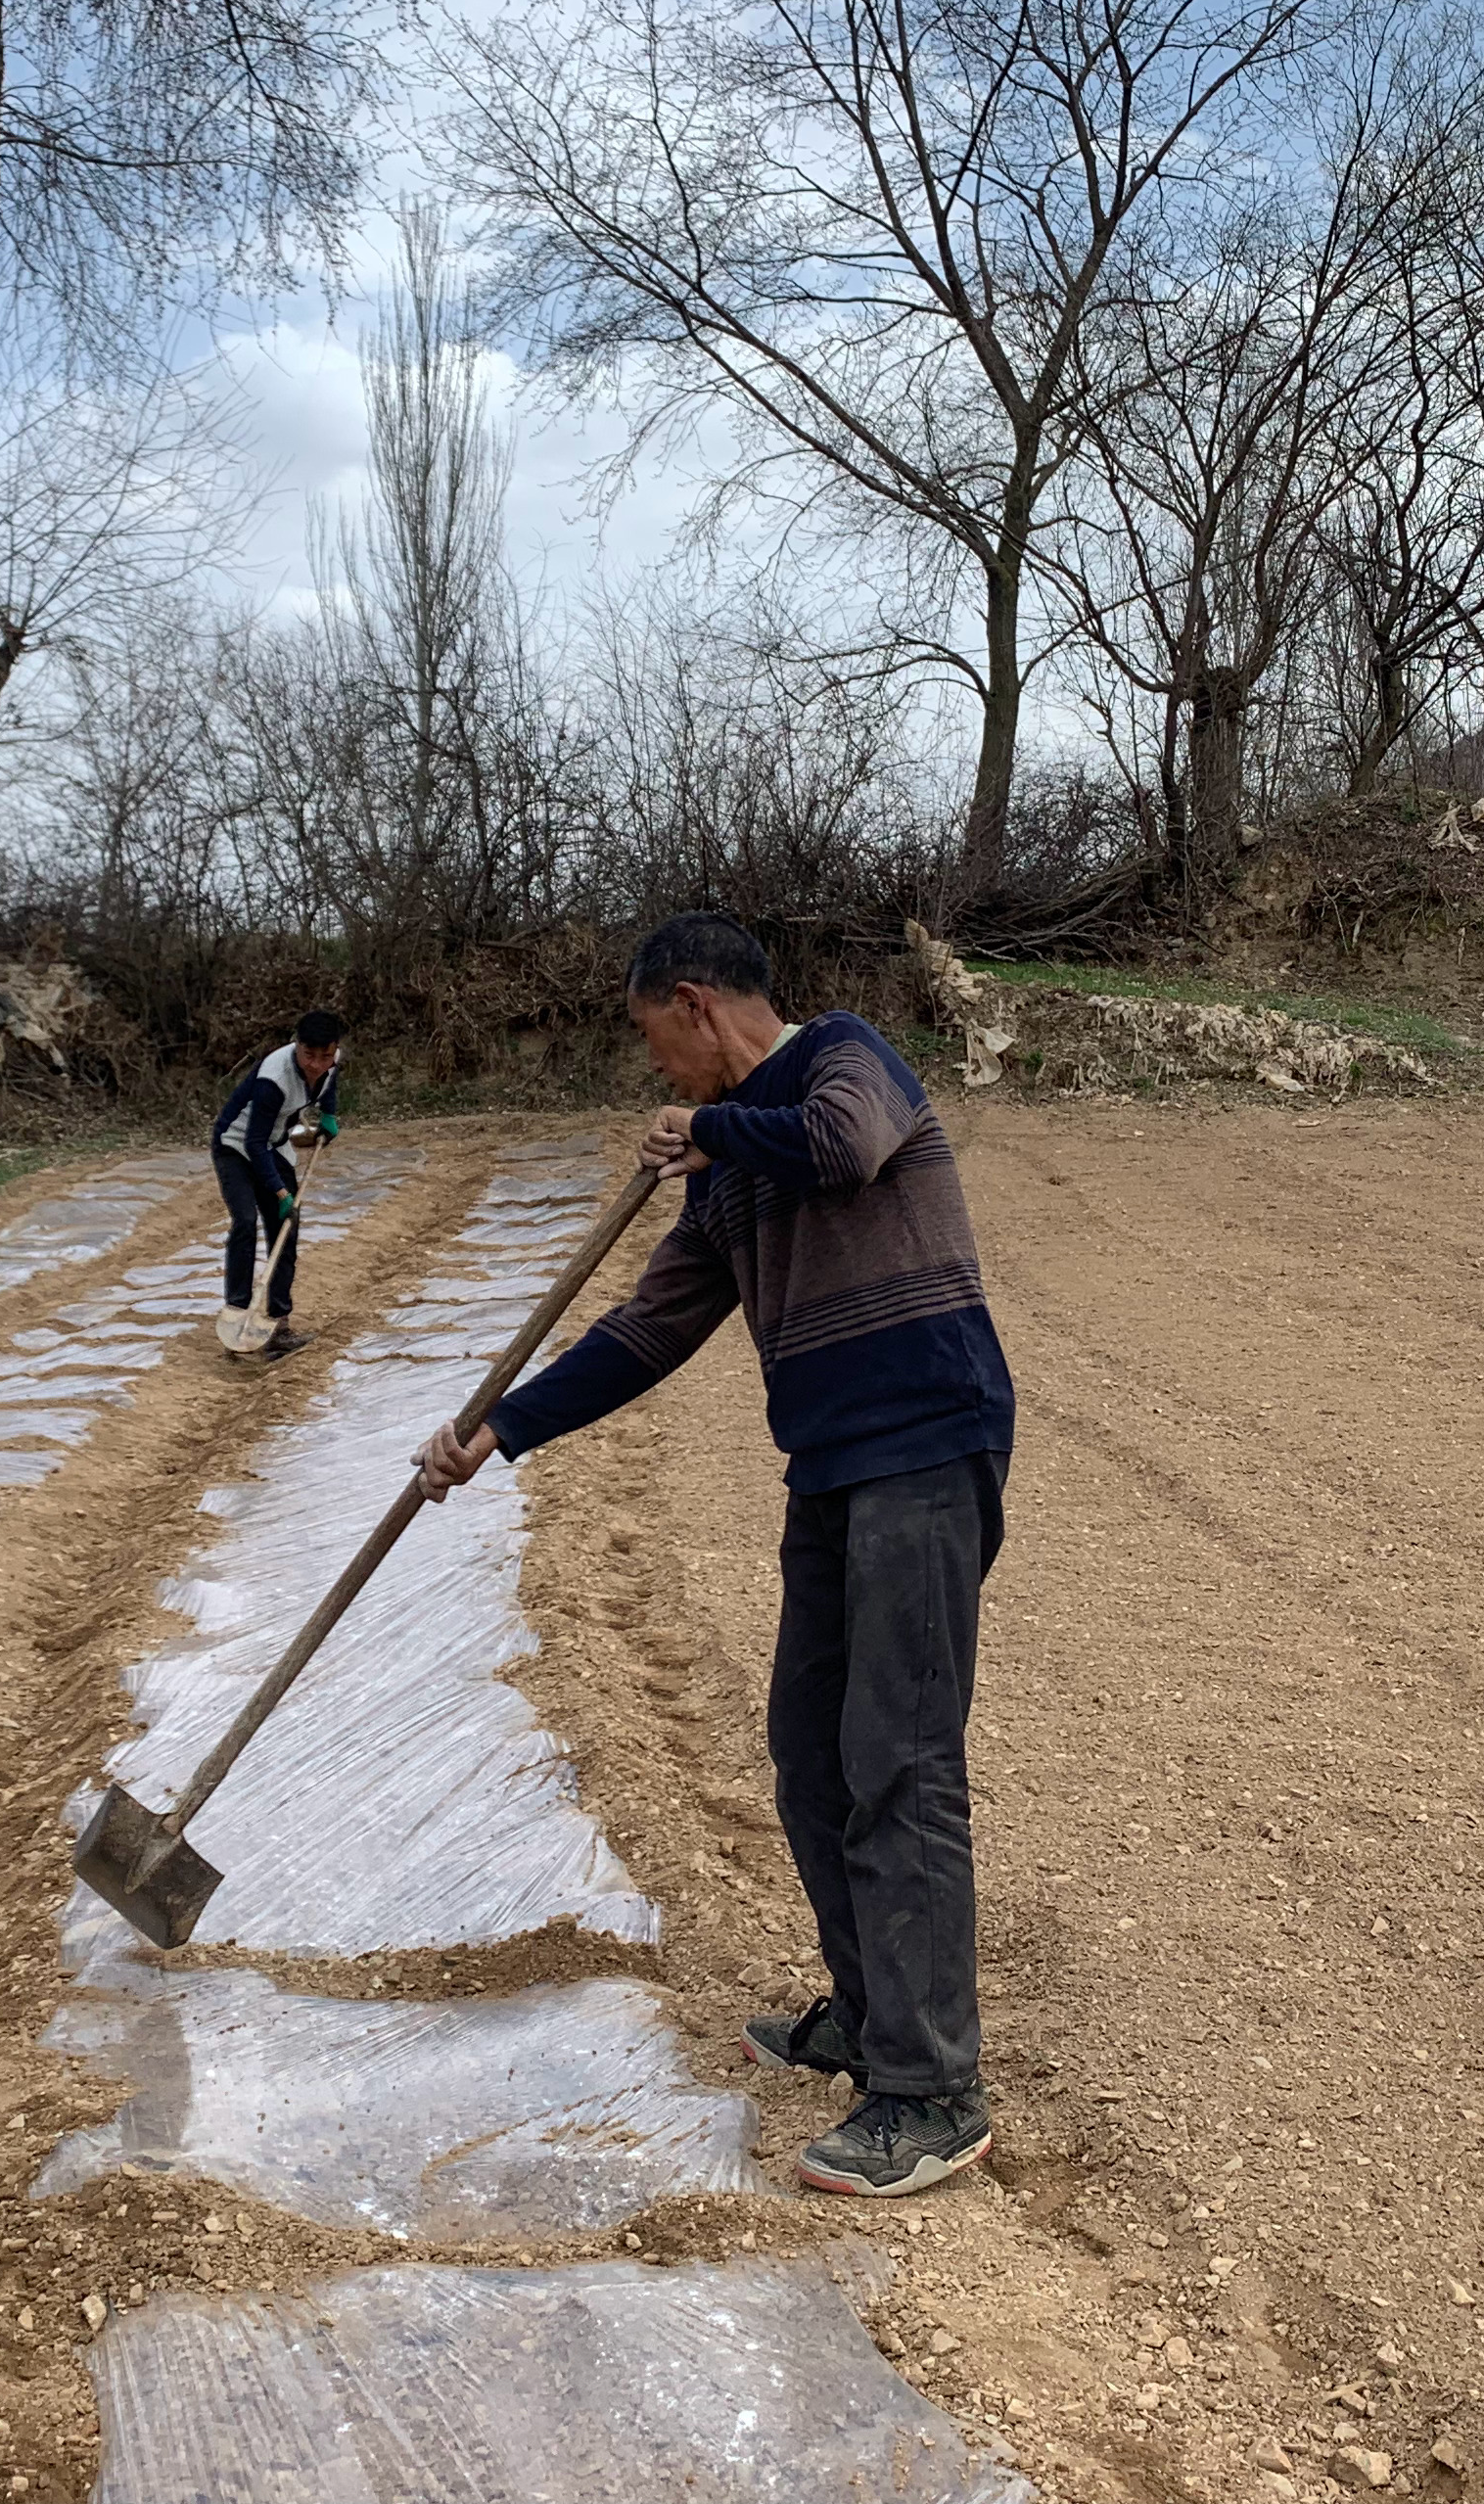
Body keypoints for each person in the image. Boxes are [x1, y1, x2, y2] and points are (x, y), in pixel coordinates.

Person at [414, 912, 1012, 2198]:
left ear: (694, 1005)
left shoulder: (847, 1062)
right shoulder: (723, 1174)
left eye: (655, 1046)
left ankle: (935, 2095)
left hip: (927, 1444)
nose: (660, 1080)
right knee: (809, 1757)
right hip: (835, 1468)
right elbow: (644, 1334)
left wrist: (711, 1129)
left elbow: (841, 1150)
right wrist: (496, 1430)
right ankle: (870, 2017)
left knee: (898, 1763)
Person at [211, 1006, 346, 1359]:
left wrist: (328, 1114)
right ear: (296, 1045)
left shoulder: (330, 1062)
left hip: (273, 1144)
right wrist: (281, 1191)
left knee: (286, 1226)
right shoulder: (274, 1079)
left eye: (325, 1055)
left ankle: (279, 1322)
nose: (317, 1064)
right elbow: (253, 1144)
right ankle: (238, 1311)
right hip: (236, 1145)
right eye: (309, 1055)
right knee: (245, 1221)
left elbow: (327, 1083)